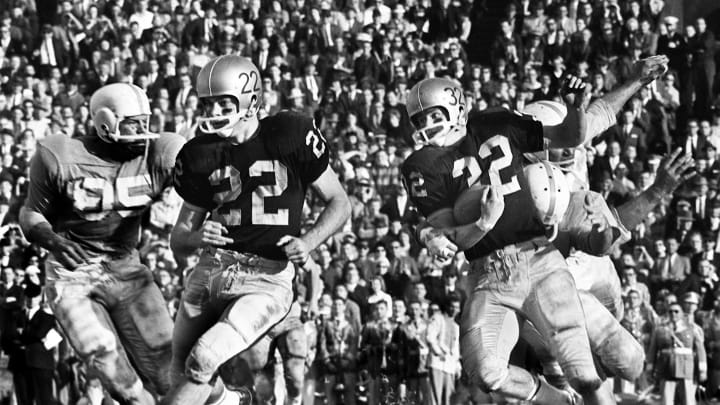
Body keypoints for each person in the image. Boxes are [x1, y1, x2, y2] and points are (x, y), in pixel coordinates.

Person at [402, 55, 669, 404]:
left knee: (609, 366)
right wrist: (452, 229)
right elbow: (449, 230)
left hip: (558, 264)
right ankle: (559, 398)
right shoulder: (443, 165)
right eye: (420, 119)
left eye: (433, 116)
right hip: (497, 270)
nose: (560, 156)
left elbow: (585, 127)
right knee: (490, 372)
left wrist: (618, 91)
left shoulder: (567, 183)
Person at [165, 55, 351, 405]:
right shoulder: (198, 153)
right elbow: (178, 240)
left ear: (251, 99)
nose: (214, 109)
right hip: (212, 270)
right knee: (176, 372)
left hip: (267, 275)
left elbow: (340, 202)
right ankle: (230, 402)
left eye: (224, 101)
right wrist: (195, 237)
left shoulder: (289, 133)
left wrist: (308, 241)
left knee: (204, 358)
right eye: (208, 102)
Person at [19, 82, 184, 405]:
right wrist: (51, 239)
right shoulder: (60, 156)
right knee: (113, 371)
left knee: (169, 371)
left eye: (144, 121)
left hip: (126, 267)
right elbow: (30, 214)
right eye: (132, 124)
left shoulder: (161, 152)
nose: (142, 131)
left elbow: (205, 188)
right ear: (106, 122)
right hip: (72, 276)